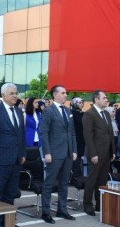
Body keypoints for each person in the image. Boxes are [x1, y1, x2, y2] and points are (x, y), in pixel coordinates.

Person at [0, 83, 25, 227]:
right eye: (12, 93)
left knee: (11, 193)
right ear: (3, 95)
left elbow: (21, 135)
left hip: (15, 160)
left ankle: (9, 222)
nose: (15, 96)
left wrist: (22, 153)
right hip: (0, 160)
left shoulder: (19, 112)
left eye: (16, 93)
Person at [39, 85, 77, 223]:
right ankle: (46, 212)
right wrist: (47, 152)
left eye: (66, 93)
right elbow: (44, 133)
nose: (66, 95)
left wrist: (74, 150)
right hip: (54, 153)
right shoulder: (49, 111)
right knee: (49, 184)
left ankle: (62, 210)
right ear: (55, 95)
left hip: (67, 153)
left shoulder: (68, 111)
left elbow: (72, 133)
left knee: (64, 184)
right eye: (63, 93)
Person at [82, 90, 115, 216]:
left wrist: (113, 151)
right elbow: (88, 136)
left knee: (102, 180)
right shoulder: (89, 114)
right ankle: (87, 205)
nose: (107, 100)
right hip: (95, 153)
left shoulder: (106, 114)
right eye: (104, 98)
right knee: (92, 180)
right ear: (96, 100)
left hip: (106, 153)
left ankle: (99, 203)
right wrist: (93, 153)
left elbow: (110, 134)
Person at [71, 97, 86, 178]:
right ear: (74, 103)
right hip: (75, 138)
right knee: (76, 158)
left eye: (82, 102)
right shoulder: (72, 113)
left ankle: (78, 176)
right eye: (79, 102)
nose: (82, 104)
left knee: (80, 157)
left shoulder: (82, 113)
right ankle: (77, 177)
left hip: (82, 139)